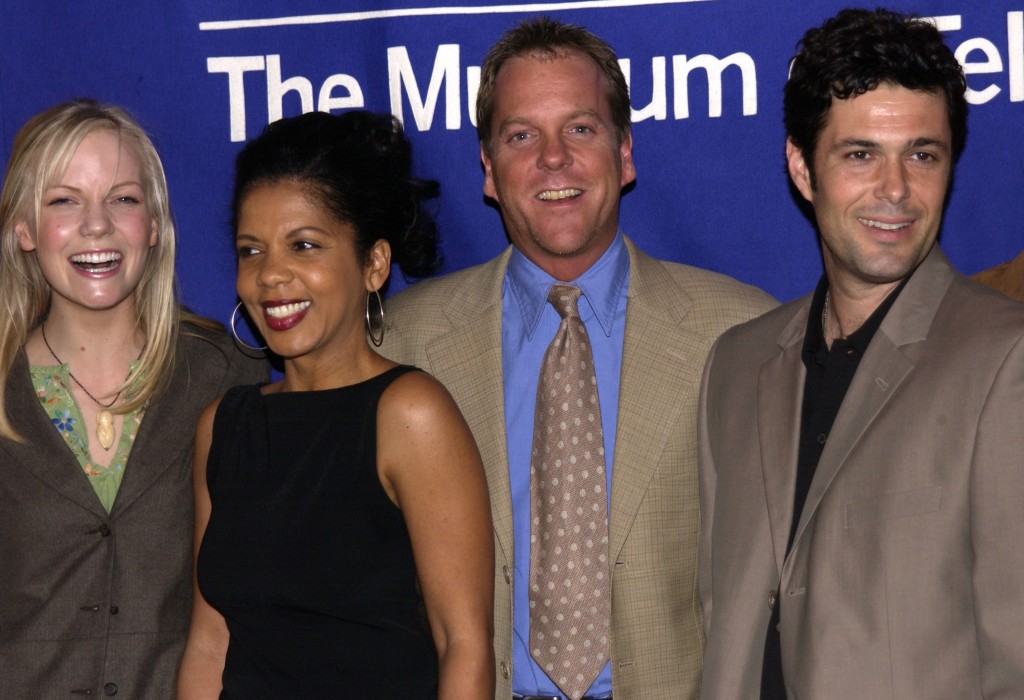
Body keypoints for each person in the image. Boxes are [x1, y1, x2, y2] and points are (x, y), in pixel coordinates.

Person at [380, 17, 776, 700]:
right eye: (521, 135)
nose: (553, 158)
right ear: (489, 172)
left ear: (625, 155)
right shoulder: (402, 344)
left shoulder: (744, 331)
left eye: (581, 129)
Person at [698, 8, 1024, 699]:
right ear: (801, 167)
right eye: (860, 154)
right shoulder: (734, 365)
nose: (896, 190)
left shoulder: (1006, 359)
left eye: (922, 154)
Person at [177, 110, 494, 699]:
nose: (271, 275)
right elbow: (208, 642)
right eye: (251, 250)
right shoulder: (223, 427)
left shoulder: (410, 415)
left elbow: (465, 645)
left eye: (304, 245)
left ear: (373, 263)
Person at [0, 99, 266, 699]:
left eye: (123, 198)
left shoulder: (233, 381)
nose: (97, 224)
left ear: (154, 225)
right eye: (63, 200)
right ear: (22, 227)